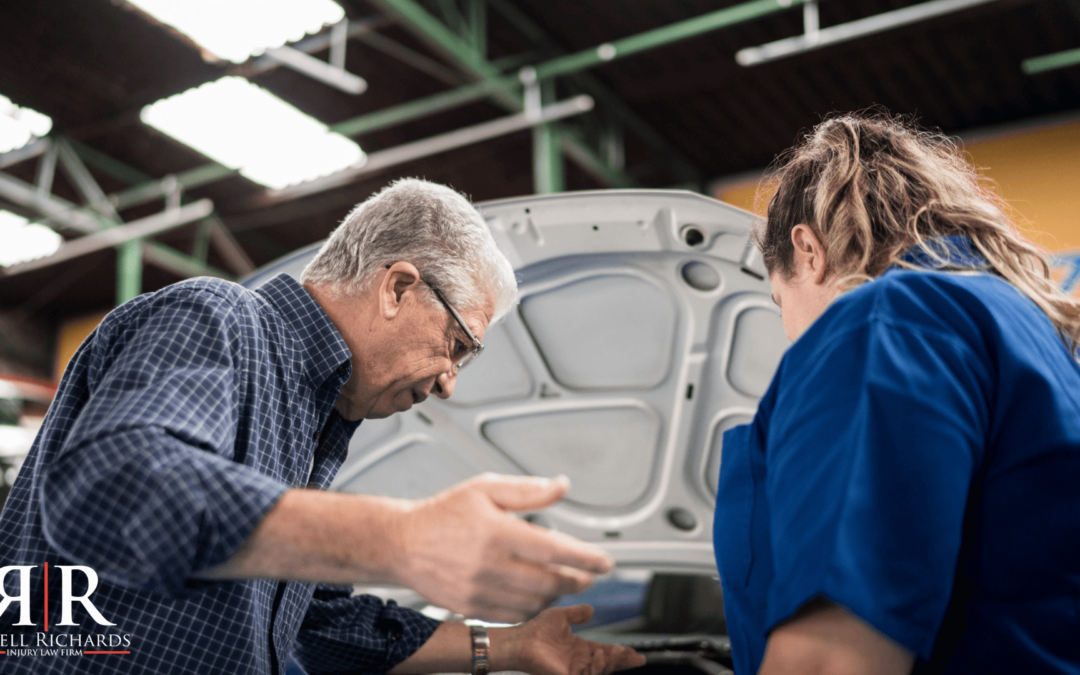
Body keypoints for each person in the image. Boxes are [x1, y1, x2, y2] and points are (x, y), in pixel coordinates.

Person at [0, 178, 646, 675]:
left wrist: (510, 646)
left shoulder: (313, 417)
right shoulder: (219, 318)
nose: (450, 380)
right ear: (397, 287)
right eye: (457, 343)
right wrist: (401, 537)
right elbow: (115, 490)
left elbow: (313, 617)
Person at [712, 113, 1080, 674]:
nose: (789, 334)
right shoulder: (1034, 333)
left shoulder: (883, 325)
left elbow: (829, 659)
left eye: (777, 302)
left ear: (808, 250)